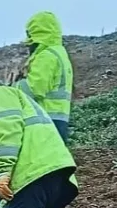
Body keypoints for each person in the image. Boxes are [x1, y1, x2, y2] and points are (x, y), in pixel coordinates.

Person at [15, 12, 73, 143]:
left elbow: (33, 89)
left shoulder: (46, 56)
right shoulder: (59, 52)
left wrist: (14, 86)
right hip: (58, 119)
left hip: (45, 119)